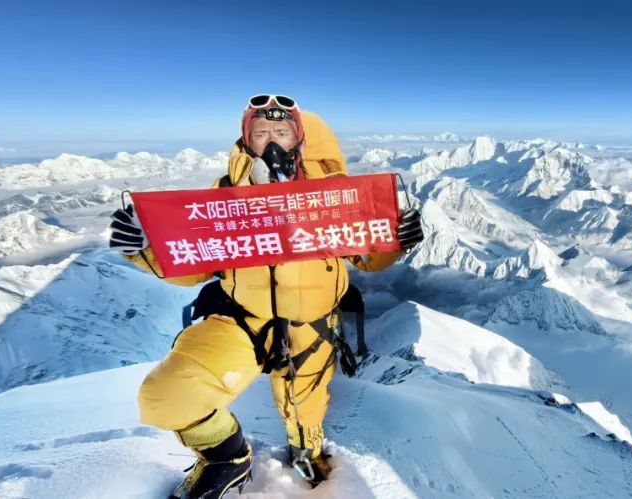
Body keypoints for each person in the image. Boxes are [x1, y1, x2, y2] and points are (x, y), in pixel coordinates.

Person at [107, 94, 424, 498]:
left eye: (281, 132)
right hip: (244, 319)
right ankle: (226, 456)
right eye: (261, 133)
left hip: (312, 327)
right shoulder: (224, 195)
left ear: (299, 140)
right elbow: (197, 266)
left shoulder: (334, 196)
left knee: (304, 412)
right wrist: (145, 249)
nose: (272, 143)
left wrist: (396, 240)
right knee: (166, 395)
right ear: (246, 142)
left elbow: (367, 257)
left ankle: (304, 453)